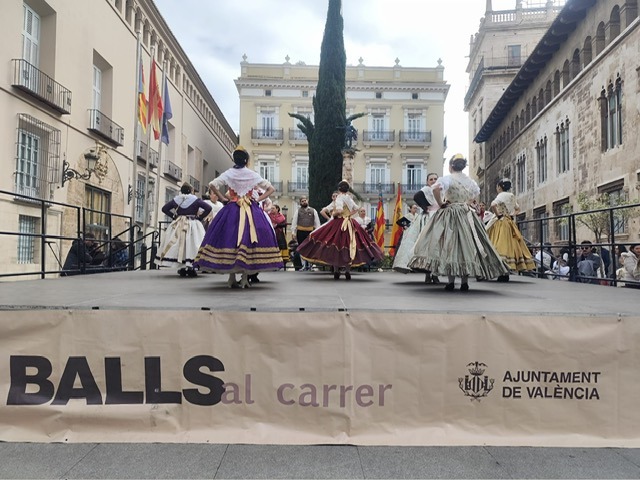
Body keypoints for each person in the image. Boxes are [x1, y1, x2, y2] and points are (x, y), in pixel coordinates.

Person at [408, 154, 509, 291]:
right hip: (466, 214)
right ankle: (464, 282)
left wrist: (441, 203)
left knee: (451, 246)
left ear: (451, 166)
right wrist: (466, 203)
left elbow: (436, 188)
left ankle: (450, 282)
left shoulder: (448, 179)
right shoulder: (470, 182)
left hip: (451, 213)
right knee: (466, 247)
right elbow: (474, 195)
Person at [194, 146, 283, 288]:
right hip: (250, 209)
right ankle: (245, 277)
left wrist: (223, 198)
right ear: (246, 160)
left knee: (230, 238)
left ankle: (231, 277)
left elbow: (212, 184)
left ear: (234, 160)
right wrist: (258, 200)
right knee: (248, 239)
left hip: (232, 209)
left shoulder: (229, 173)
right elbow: (271, 189)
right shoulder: (252, 174)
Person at [296, 180, 384, 280]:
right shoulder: (348, 197)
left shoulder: (339, 198)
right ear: (347, 189)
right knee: (350, 245)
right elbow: (357, 208)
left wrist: (333, 215)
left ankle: (336, 271)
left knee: (335, 244)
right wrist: (349, 214)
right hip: (350, 222)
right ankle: (347, 271)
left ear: (339, 189)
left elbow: (339, 210)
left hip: (339, 223)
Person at [393, 172, 440, 284]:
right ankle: (428, 274)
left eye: (435, 179)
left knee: (438, 246)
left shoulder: (440, 189)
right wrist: (426, 207)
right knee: (426, 246)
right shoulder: (426, 190)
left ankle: (435, 274)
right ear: (427, 181)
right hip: (428, 219)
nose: (433, 181)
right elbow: (417, 196)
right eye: (431, 179)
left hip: (439, 217)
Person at [156, 182, 212, 277]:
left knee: (179, 244)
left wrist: (174, 216)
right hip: (193, 224)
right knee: (192, 244)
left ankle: (182, 267)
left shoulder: (176, 200)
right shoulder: (196, 200)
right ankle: (191, 267)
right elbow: (208, 208)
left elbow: (164, 209)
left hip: (179, 223)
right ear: (190, 191)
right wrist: (200, 218)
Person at [485, 178, 535, 282]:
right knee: (509, 246)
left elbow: (493, 204)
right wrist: (511, 215)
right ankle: (506, 273)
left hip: (500, 222)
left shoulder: (501, 195)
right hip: (509, 222)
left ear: (499, 187)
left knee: (498, 245)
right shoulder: (511, 195)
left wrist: (498, 215)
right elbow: (518, 209)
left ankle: (499, 272)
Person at [290, 195, 321, 271]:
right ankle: (303, 265)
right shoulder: (298, 211)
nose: (304, 202)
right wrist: (293, 232)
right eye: (302, 201)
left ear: (307, 201)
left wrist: (318, 232)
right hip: (300, 232)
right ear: (300, 203)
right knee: (301, 248)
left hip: (310, 232)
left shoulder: (313, 211)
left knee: (311, 248)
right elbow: (294, 222)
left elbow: (317, 222)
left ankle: (310, 265)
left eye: (305, 200)